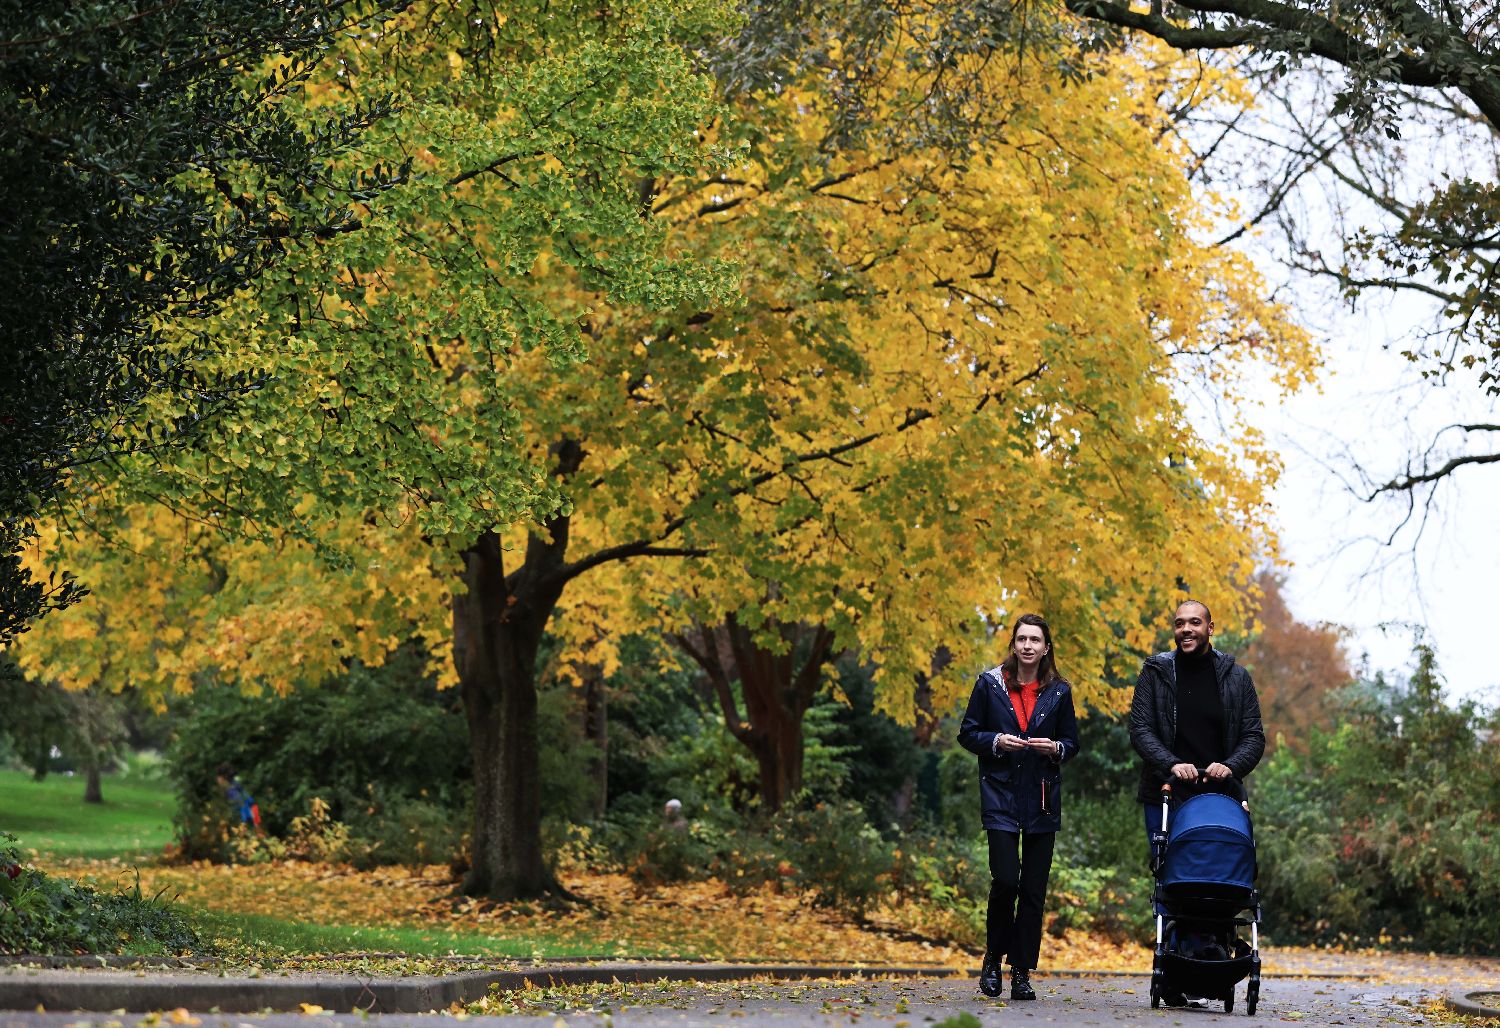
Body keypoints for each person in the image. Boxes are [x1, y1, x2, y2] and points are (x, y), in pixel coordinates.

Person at [1129, 599, 1265, 1006]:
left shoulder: (1236, 678)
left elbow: (1254, 736)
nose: (1186, 629)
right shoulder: (1155, 672)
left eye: (1194, 623)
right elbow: (1140, 730)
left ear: (1210, 627)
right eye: (1179, 624)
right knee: (1174, 879)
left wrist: (1230, 765)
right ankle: (1176, 970)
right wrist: (1173, 764)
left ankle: (1211, 959)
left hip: (1218, 796)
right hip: (1167, 793)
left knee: (1217, 879)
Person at [958, 614, 1081, 1001]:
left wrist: (1055, 749)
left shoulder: (1059, 691)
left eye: (1035, 640)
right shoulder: (989, 684)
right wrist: (996, 741)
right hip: (1000, 795)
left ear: (1046, 648)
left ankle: (1022, 972)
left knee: (1033, 889)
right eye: (1022, 639)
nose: (1028, 646)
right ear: (1013, 645)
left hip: (1043, 798)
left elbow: (1071, 742)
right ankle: (993, 958)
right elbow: (968, 733)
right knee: (1007, 879)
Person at [216, 764, 263, 834]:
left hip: (247, 818)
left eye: (218, 776)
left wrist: (247, 822)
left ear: (223, 777)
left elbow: (242, 805)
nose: (217, 779)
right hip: (252, 812)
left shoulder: (231, 790)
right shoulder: (235, 784)